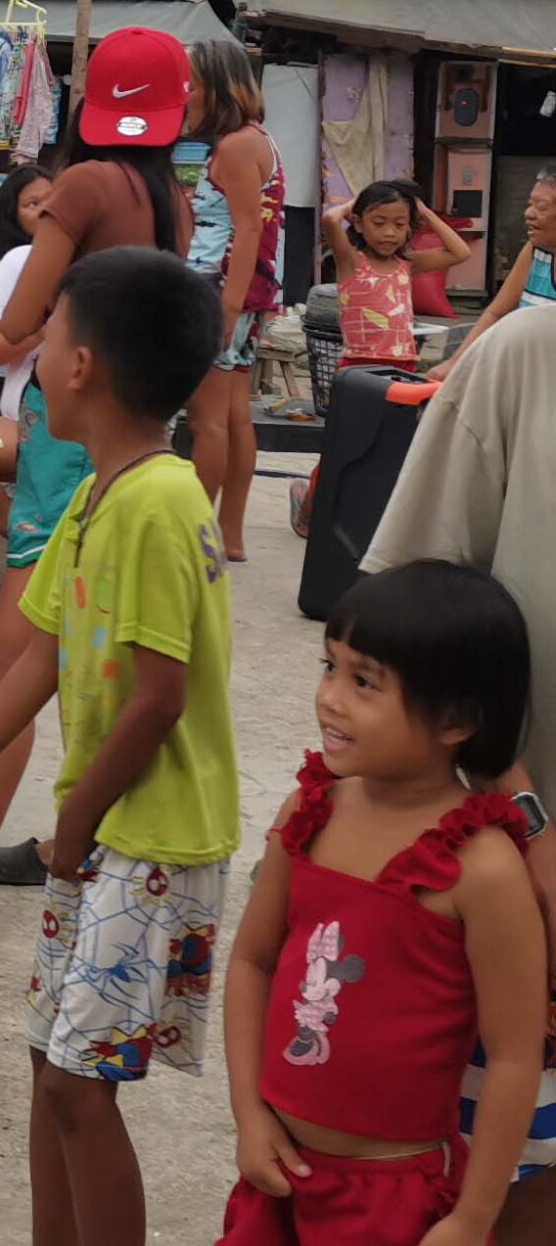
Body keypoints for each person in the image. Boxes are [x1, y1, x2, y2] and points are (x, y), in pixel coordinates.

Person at [0, 246, 238, 1246]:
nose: (31, 356)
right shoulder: (96, 494)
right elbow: (39, 655)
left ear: (80, 366)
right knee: (51, 1067)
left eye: (49, 337)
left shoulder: (158, 501)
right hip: (105, 832)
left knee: (82, 1089)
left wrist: (72, 821)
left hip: (150, 839)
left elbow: (158, 697)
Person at [0, 30, 199, 965]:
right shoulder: (173, 203)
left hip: (71, 443)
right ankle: (63, 829)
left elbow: (22, 327)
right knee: (78, 654)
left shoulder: (82, 186)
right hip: (138, 431)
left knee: (8, 667)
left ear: (86, 106)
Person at [216, 562, 542, 1246]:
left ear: (455, 717)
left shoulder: (481, 866)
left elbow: (513, 1056)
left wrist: (472, 1217)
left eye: (364, 681)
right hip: (278, 1177)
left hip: (393, 1202)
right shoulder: (309, 809)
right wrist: (249, 1115)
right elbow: (251, 960)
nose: (330, 697)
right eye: (329, 666)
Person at [364, 304, 556, 1236]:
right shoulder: (526, 359)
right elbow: (410, 623)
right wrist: (530, 820)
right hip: (508, 876)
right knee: (502, 1169)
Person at [173, 43, 284, 562]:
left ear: (218, 87)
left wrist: (226, 308)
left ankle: (195, 538)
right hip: (244, 292)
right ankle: (229, 533)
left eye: (192, 83)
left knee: (207, 420)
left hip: (222, 292)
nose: (185, 94)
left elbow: (247, 226)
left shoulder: (237, 146)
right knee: (235, 414)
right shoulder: (255, 140)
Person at [323, 182, 470, 374]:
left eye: (400, 224)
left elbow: (461, 252)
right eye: (379, 223)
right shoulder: (351, 262)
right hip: (358, 364)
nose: (389, 232)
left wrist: (425, 213)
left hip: (404, 363)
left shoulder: (407, 264)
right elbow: (330, 219)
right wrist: (353, 204)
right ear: (358, 223)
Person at [0, 161, 56, 480]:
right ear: (12, 216)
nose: (47, 211)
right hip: (10, 391)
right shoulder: (17, 260)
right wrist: (46, 328)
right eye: (34, 204)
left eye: (54, 200)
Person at [436, 166, 556, 378]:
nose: (529, 214)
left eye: (542, 207)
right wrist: (455, 364)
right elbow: (495, 313)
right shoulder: (535, 251)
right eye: (530, 204)